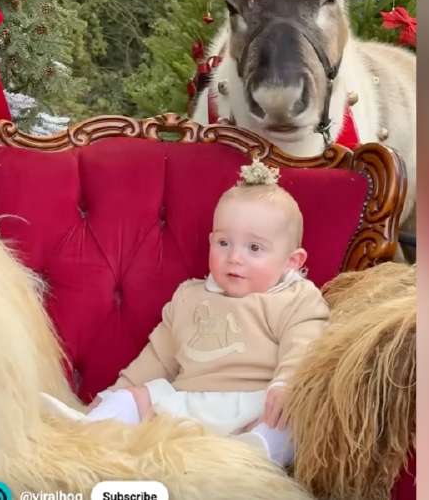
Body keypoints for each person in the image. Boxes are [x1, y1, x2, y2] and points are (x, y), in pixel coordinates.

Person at [43, 160, 330, 466]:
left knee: (291, 418)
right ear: (211, 242)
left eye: (254, 248)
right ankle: (88, 427)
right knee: (134, 398)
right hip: (188, 408)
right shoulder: (189, 296)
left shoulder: (296, 298)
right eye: (223, 243)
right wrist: (117, 391)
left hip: (256, 405)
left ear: (292, 261)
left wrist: (285, 384)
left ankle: (254, 456)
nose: (234, 257)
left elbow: (305, 347)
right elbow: (158, 356)